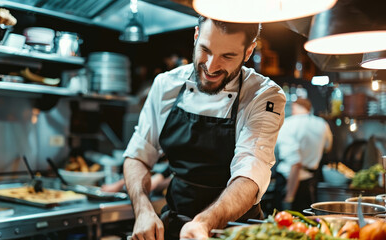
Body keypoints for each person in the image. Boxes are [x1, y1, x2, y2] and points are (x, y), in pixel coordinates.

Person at [122, 15, 286, 240]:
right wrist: (143, 210)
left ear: (248, 53)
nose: (211, 66)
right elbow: (138, 156)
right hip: (174, 226)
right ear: (196, 36)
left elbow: (249, 173)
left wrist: (204, 223)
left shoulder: (264, 95)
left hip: (236, 231)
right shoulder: (166, 84)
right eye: (205, 50)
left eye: (227, 56)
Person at [275, 98, 333, 212]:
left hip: (289, 183)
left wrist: (289, 197)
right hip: (311, 181)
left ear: (294, 107)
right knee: (307, 221)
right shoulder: (322, 124)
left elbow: (295, 164)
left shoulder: (288, 124)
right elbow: (328, 147)